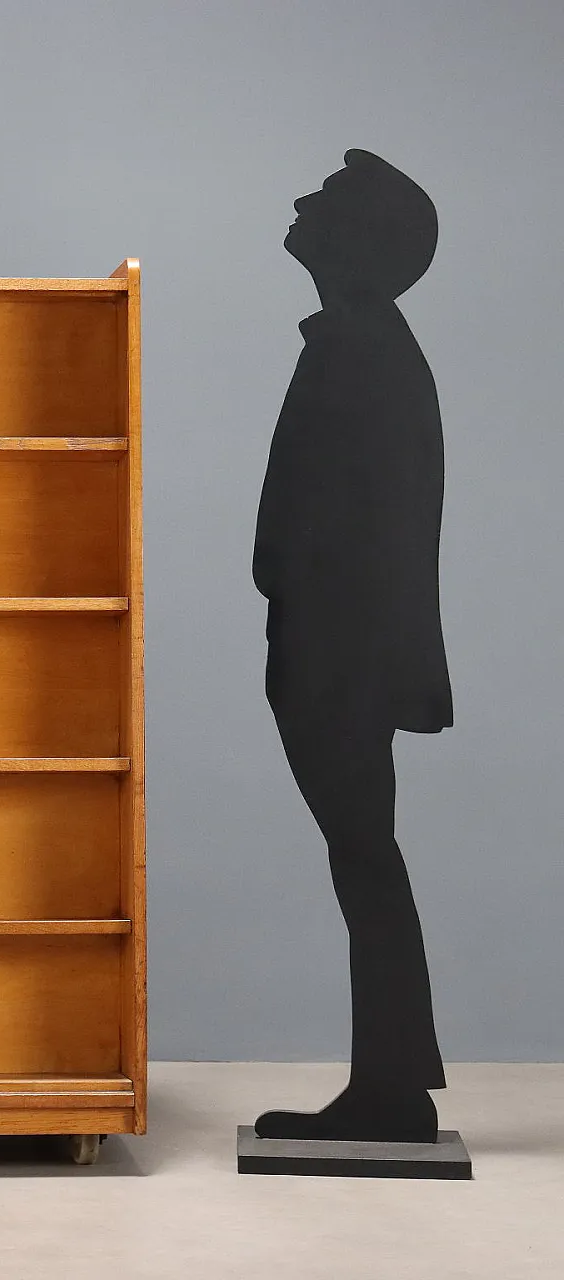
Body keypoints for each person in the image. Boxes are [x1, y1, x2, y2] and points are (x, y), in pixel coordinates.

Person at [252, 149, 453, 1142]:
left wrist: (332, 649)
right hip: (334, 648)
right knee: (362, 854)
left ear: (359, 242)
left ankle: (391, 1087)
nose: (300, 201)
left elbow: (373, 528)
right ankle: (391, 1079)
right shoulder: (359, 344)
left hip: (340, 654)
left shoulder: (361, 351)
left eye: (325, 199)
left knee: (362, 855)